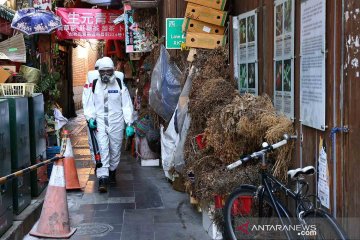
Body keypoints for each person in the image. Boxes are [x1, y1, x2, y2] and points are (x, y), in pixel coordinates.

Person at [83, 56, 135, 193]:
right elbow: (88, 102)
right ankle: (103, 179)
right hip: (99, 122)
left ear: (113, 70)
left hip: (116, 121)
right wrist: (90, 118)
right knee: (102, 149)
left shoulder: (118, 83)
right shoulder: (93, 83)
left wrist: (129, 123)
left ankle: (112, 171)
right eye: (102, 72)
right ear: (99, 72)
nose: (105, 75)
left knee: (115, 149)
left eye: (108, 71)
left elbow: (126, 104)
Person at [82, 58, 102, 163]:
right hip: (94, 118)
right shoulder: (90, 82)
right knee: (93, 141)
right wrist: (89, 117)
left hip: (105, 117)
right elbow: (87, 100)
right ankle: (97, 163)